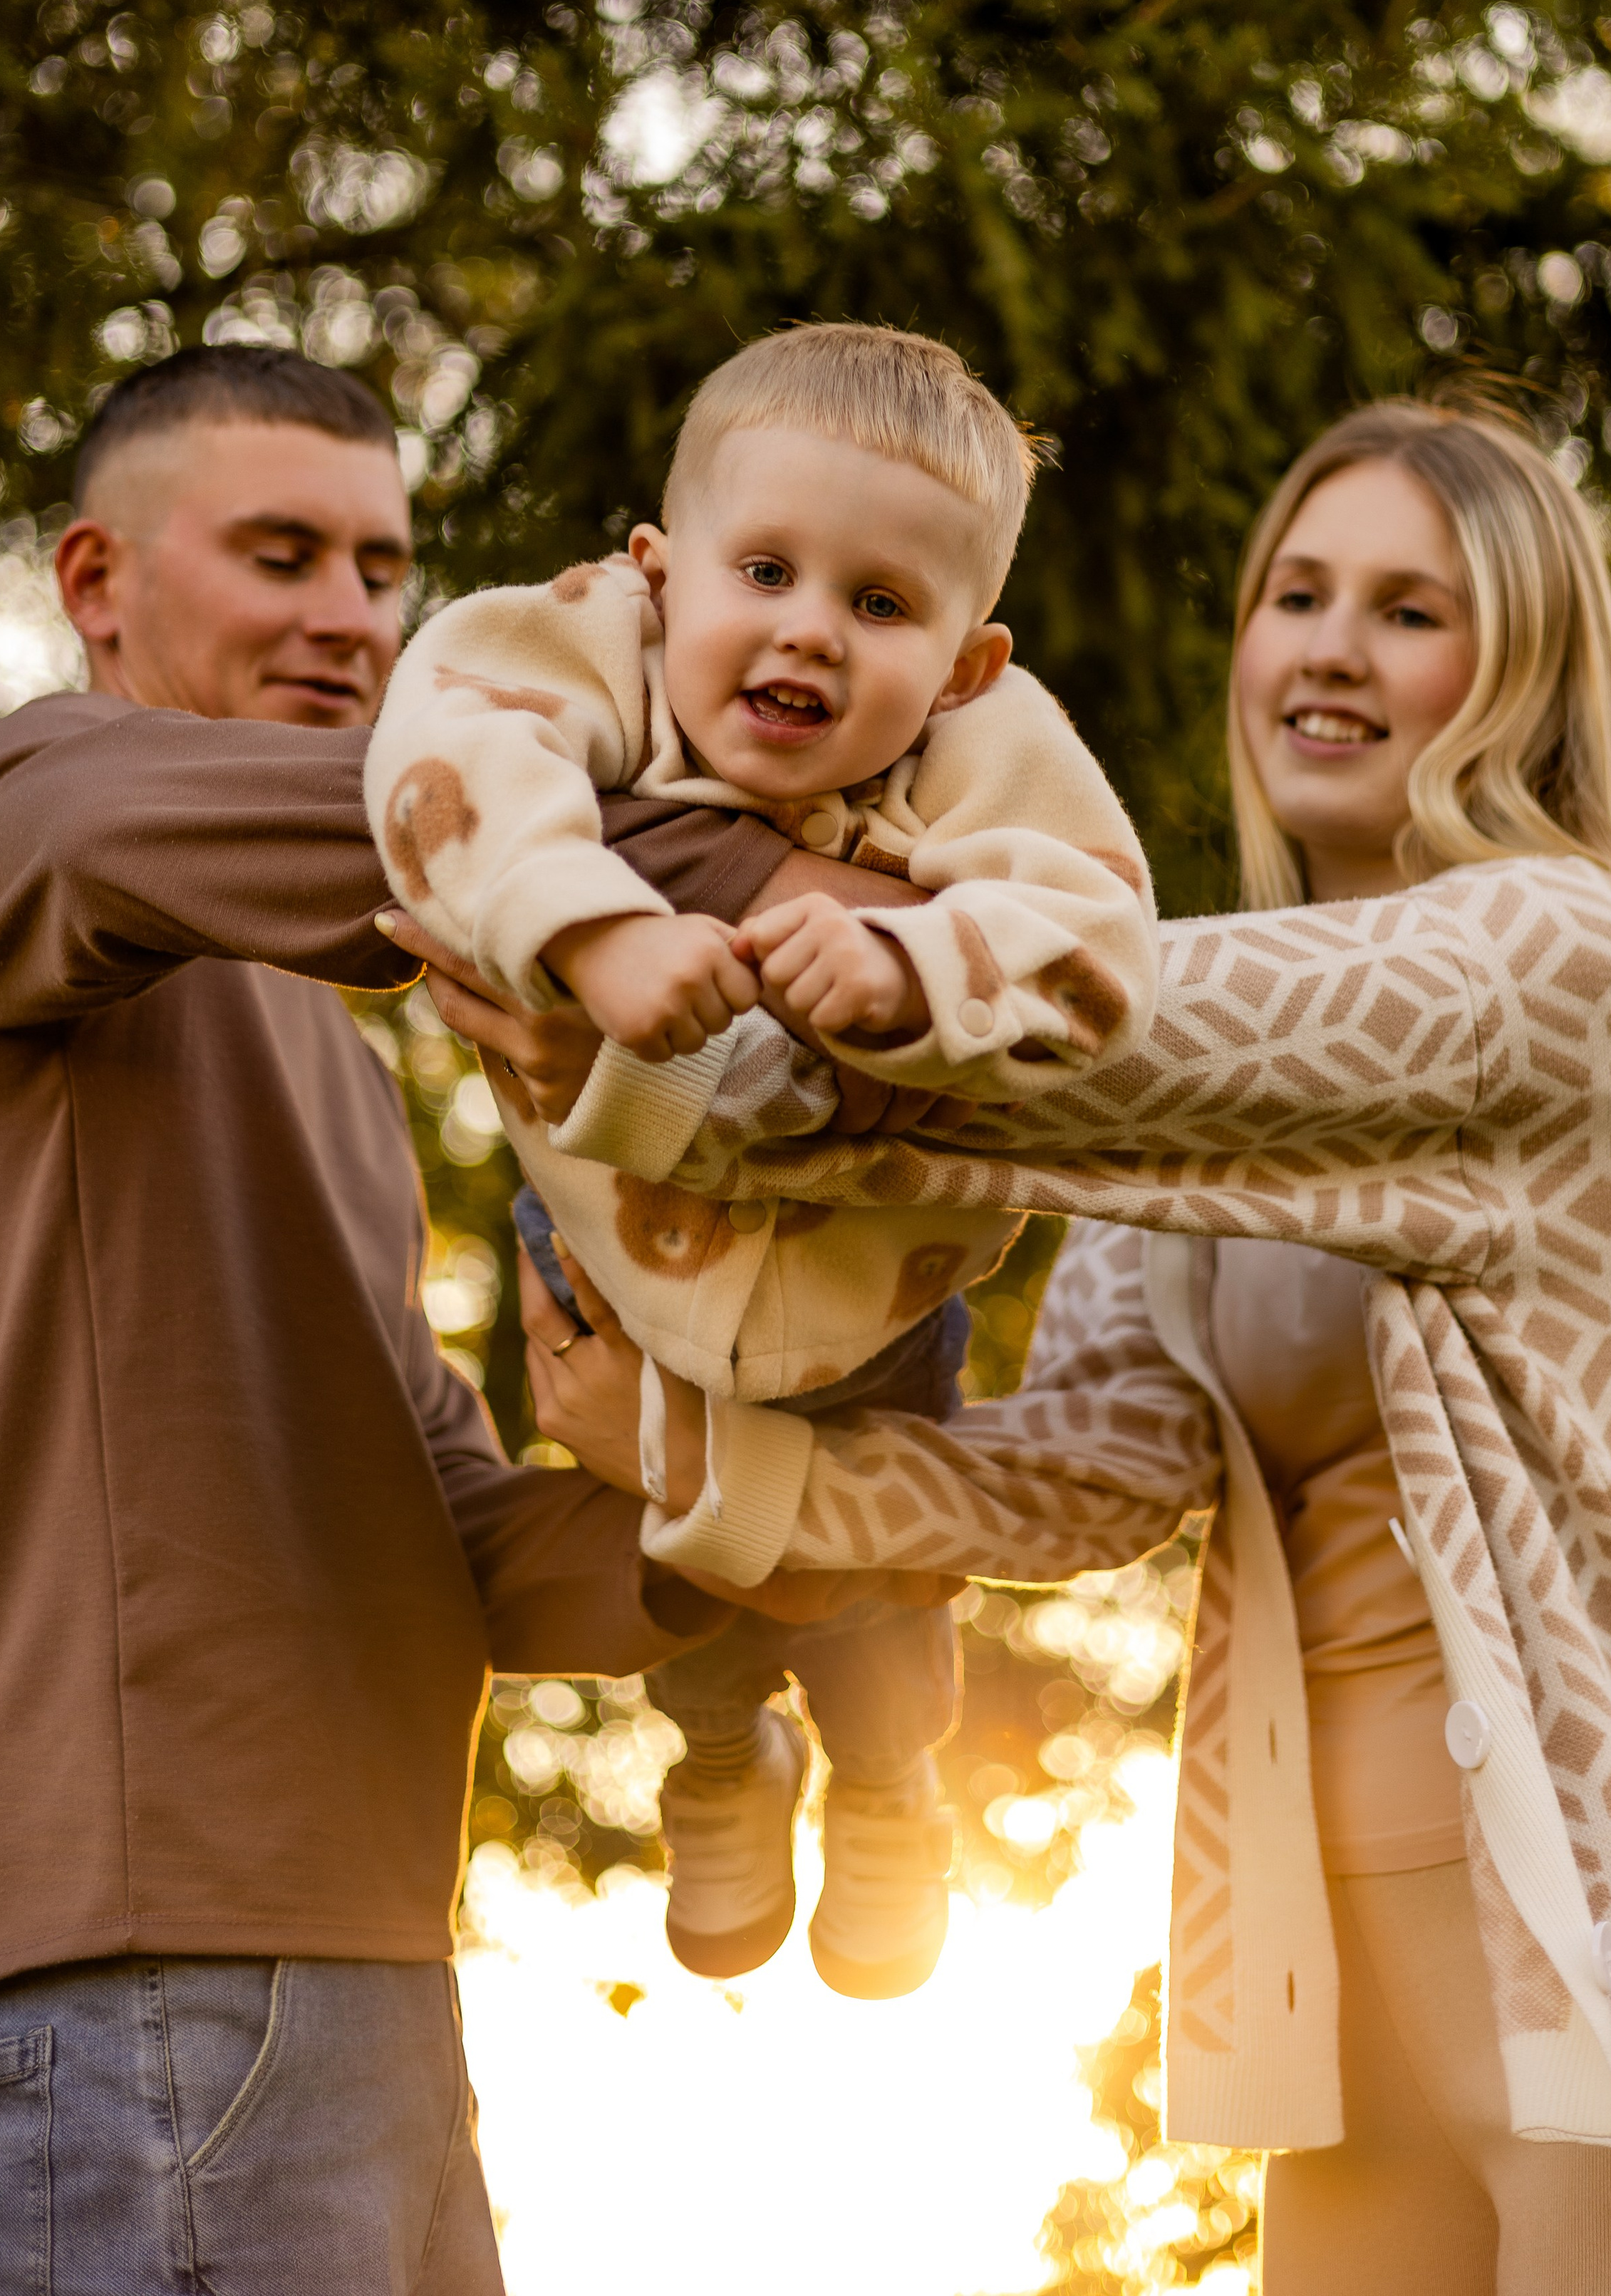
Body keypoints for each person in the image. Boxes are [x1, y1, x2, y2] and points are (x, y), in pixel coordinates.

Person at [492, 400, 1611, 2290]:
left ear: (1525, 670)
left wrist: (691, 1017)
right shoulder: (1216, 1096)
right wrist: (714, 1474)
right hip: (1338, 1983)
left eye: (1407, 611)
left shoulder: (1569, 960)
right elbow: (1096, 1470)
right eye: (1295, 593)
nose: (1326, 646)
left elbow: (1129, 1040)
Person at [0, 343, 921, 2296]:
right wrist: (821, 890)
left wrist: (733, 1520)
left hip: (331, 1964)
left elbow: (442, 1536)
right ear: (97, 582)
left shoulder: (333, 1034)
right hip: (147, 1974)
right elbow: (423, 828)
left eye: (385, 569)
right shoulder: (26, 809)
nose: (352, 615)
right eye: (281, 553)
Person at [364, 321, 1159, 1999]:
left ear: (960, 664)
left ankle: (885, 1789)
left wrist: (905, 965)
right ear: (657, 577)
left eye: (879, 606)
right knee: (687, 1598)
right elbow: (440, 742)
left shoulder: (986, 749)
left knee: (883, 1616)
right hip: (628, 1284)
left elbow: (1099, 937)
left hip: (875, 1312)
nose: (808, 627)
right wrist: (584, 932)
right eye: (766, 569)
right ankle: (721, 1770)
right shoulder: (590, 651)